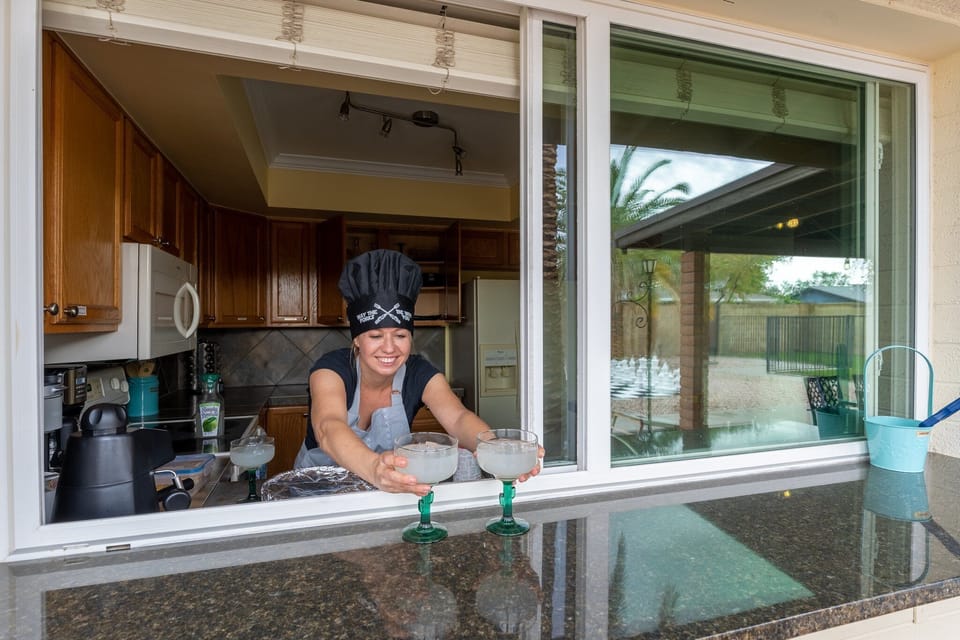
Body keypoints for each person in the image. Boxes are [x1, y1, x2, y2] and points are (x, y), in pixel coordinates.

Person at [294, 249, 542, 495]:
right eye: (376, 336)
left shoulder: (419, 372)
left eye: (400, 335)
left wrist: (494, 446)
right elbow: (329, 427)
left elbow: (458, 417)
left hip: (384, 494)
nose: (389, 347)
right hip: (318, 494)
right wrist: (374, 469)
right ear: (357, 339)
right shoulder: (331, 369)